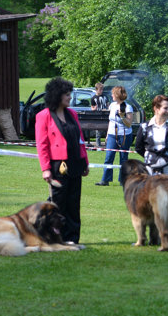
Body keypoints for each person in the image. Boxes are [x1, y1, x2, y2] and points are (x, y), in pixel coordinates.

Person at [35, 77, 89, 244]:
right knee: (58, 204)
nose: (70, 97)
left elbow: (80, 139)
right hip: (57, 166)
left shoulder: (72, 114)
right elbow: (42, 144)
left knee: (74, 203)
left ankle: (72, 238)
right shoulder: (43, 116)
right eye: (67, 94)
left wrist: (85, 162)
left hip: (75, 164)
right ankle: (54, 237)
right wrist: (45, 168)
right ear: (57, 95)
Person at [135, 95, 168, 246]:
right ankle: (154, 236)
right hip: (150, 172)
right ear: (156, 109)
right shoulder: (145, 127)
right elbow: (138, 147)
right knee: (151, 205)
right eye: (165, 108)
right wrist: (150, 158)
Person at [95, 86, 133, 186]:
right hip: (112, 134)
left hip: (124, 135)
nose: (111, 95)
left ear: (117, 95)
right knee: (109, 157)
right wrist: (107, 134)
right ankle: (105, 180)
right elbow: (111, 121)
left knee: (123, 158)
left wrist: (122, 117)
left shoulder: (128, 107)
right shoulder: (112, 105)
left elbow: (129, 124)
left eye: (113, 93)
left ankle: (123, 180)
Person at [90, 82, 109, 147]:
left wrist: (107, 109)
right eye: (100, 89)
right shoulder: (93, 98)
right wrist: (94, 109)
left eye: (102, 89)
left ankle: (107, 145)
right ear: (96, 89)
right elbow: (92, 107)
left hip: (106, 116)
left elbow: (108, 105)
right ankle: (98, 145)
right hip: (98, 117)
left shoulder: (105, 97)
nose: (101, 91)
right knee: (98, 132)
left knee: (107, 131)